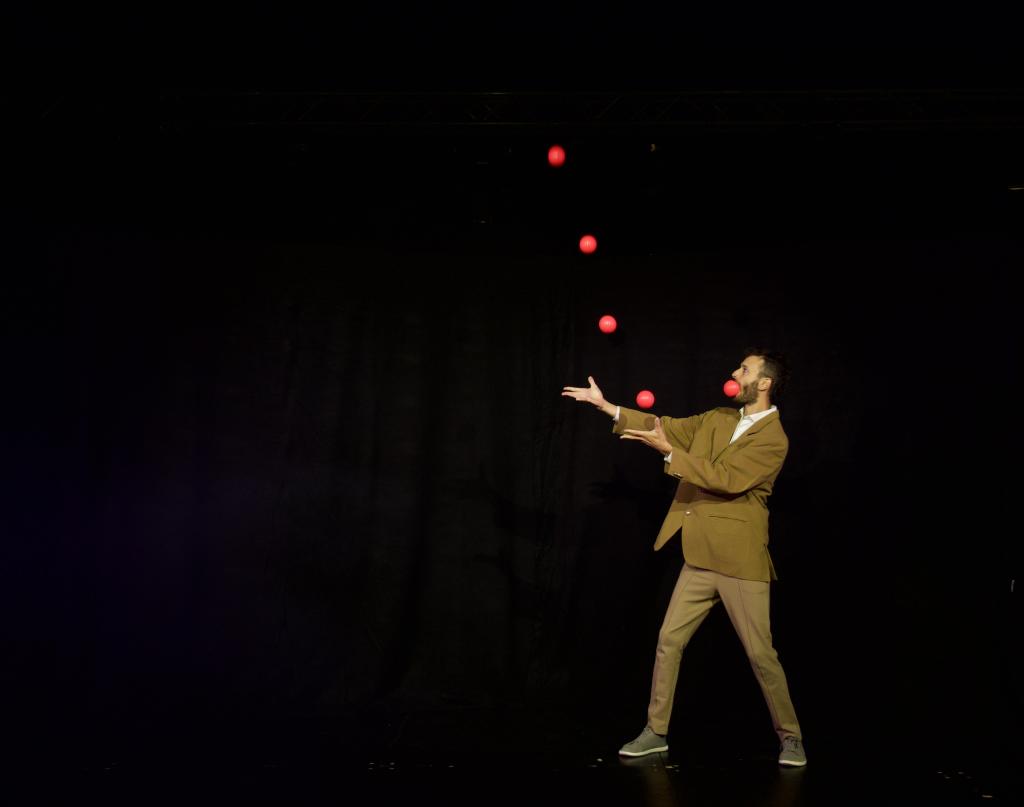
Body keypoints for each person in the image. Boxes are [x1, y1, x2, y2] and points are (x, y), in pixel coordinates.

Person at [561, 350, 807, 767]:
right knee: (669, 641)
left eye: (744, 369)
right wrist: (608, 407)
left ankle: (791, 737)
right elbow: (665, 427)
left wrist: (669, 454)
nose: (734, 373)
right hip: (700, 555)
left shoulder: (773, 439)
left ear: (764, 383)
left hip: (739, 559)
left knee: (760, 654)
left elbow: (727, 480)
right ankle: (656, 731)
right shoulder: (718, 418)